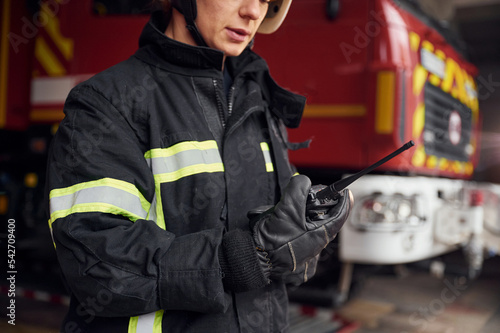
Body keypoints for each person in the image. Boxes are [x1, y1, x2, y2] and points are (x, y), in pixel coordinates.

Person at [46, 0, 353, 332]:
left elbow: (278, 251)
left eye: (268, 0)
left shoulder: (258, 101)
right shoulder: (107, 102)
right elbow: (97, 265)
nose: (253, 12)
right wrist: (242, 259)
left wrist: (303, 239)